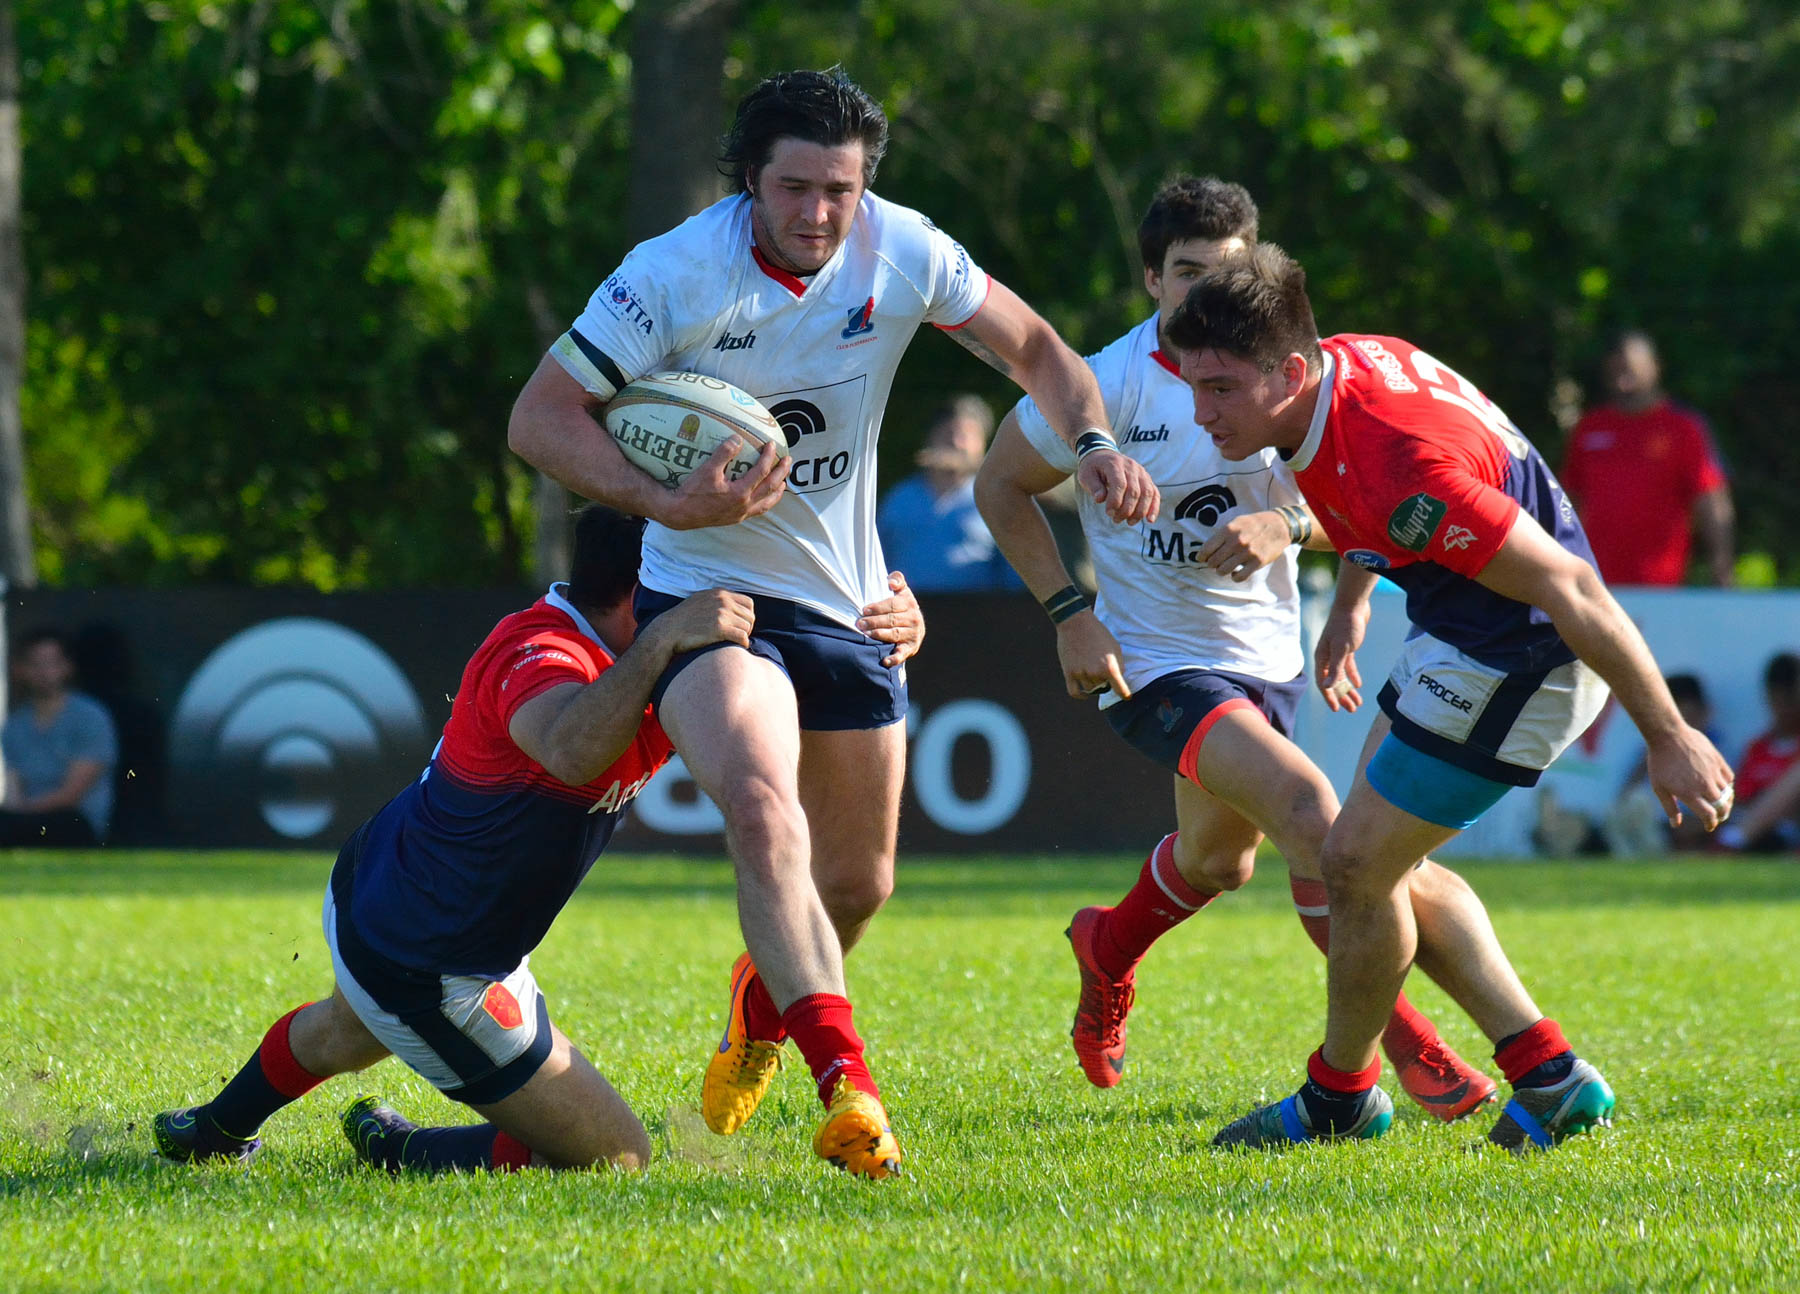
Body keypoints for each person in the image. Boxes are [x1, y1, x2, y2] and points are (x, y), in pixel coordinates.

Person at [506, 67, 1157, 1178]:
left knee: (857, 885)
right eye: (795, 187)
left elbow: (1041, 351)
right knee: (764, 813)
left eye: (839, 190)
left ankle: (755, 1012)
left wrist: (1092, 444)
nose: (817, 212)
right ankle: (847, 1088)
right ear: (749, 183)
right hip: (704, 594)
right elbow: (538, 418)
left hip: (847, 603)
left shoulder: (900, 247)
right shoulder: (672, 275)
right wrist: (668, 501)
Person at [150, 506, 926, 1173]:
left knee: (352, 1026)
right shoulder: (544, 650)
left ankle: (215, 1130)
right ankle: (404, 1152)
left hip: (393, 897)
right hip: (434, 959)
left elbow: (799, 681)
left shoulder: (654, 651)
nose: (736, 611)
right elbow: (569, 746)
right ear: (644, 596)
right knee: (617, 1154)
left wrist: (884, 620)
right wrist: (663, 643)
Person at [1164, 244, 1733, 1152]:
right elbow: (1356, 501)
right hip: (1461, 625)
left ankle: (1339, 1099)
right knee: (1382, 866)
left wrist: (1670, 736)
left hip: (1525, 655)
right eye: (1193, 384)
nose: (1203, 412)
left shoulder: (1400, 461)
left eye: (1221, 389)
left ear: (1292, 369)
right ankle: (1549, 1076)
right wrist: (1353, 604)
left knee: (1353, 864)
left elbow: (1573, 590)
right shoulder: (1335, 377)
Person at [975, 175, 1496, 1122]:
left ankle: (1107, 946)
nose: (1204, 291)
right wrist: (1068, 611)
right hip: (1152, 661)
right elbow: (1000, 486)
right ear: (1150, 281)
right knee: (1315, 819)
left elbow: (1363, 500)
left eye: (1228, 271)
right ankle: (1402, 1052)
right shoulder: (1105, 385)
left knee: (1219, 862)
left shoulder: (1291, 373)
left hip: (1267, 652)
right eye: (1184, 273)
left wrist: (1332, 589)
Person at [1559, 331, 1734, 587]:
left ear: (1655, 368)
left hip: (1661, 587)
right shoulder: (1589, 428)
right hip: (1594, 584)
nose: (1622, 378)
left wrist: (1722, 564)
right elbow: (1567, 501)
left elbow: (1710, 499)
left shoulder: (1683, 429)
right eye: (1615, 369)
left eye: (1631, 369)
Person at [877, 394, 1022, 592]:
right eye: (947, 433)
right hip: (907, 612)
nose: (955, 443)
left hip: (981, 615)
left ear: (984, 443)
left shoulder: (995, 499)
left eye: (965, 436)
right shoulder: (900, 497)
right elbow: (876, 557)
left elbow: (1015, 572)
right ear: (931, 438)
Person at [0, 628, 119, 846]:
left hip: (73, 821)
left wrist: (22, 814)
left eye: (51, 663)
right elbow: (13, 786)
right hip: (27, 820)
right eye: (34, 664)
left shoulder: (90, 717)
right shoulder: (15, 725)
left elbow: (72, 793)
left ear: (67, 667)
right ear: (21, 669)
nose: (43, 672)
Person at [1716, 652, 1800, 853]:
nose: (1783, 709)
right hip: (1759, 829)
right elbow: (1740, 797)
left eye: (1789, 699)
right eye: (1777, 700)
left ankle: (1730, 842)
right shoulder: (1757, 747)